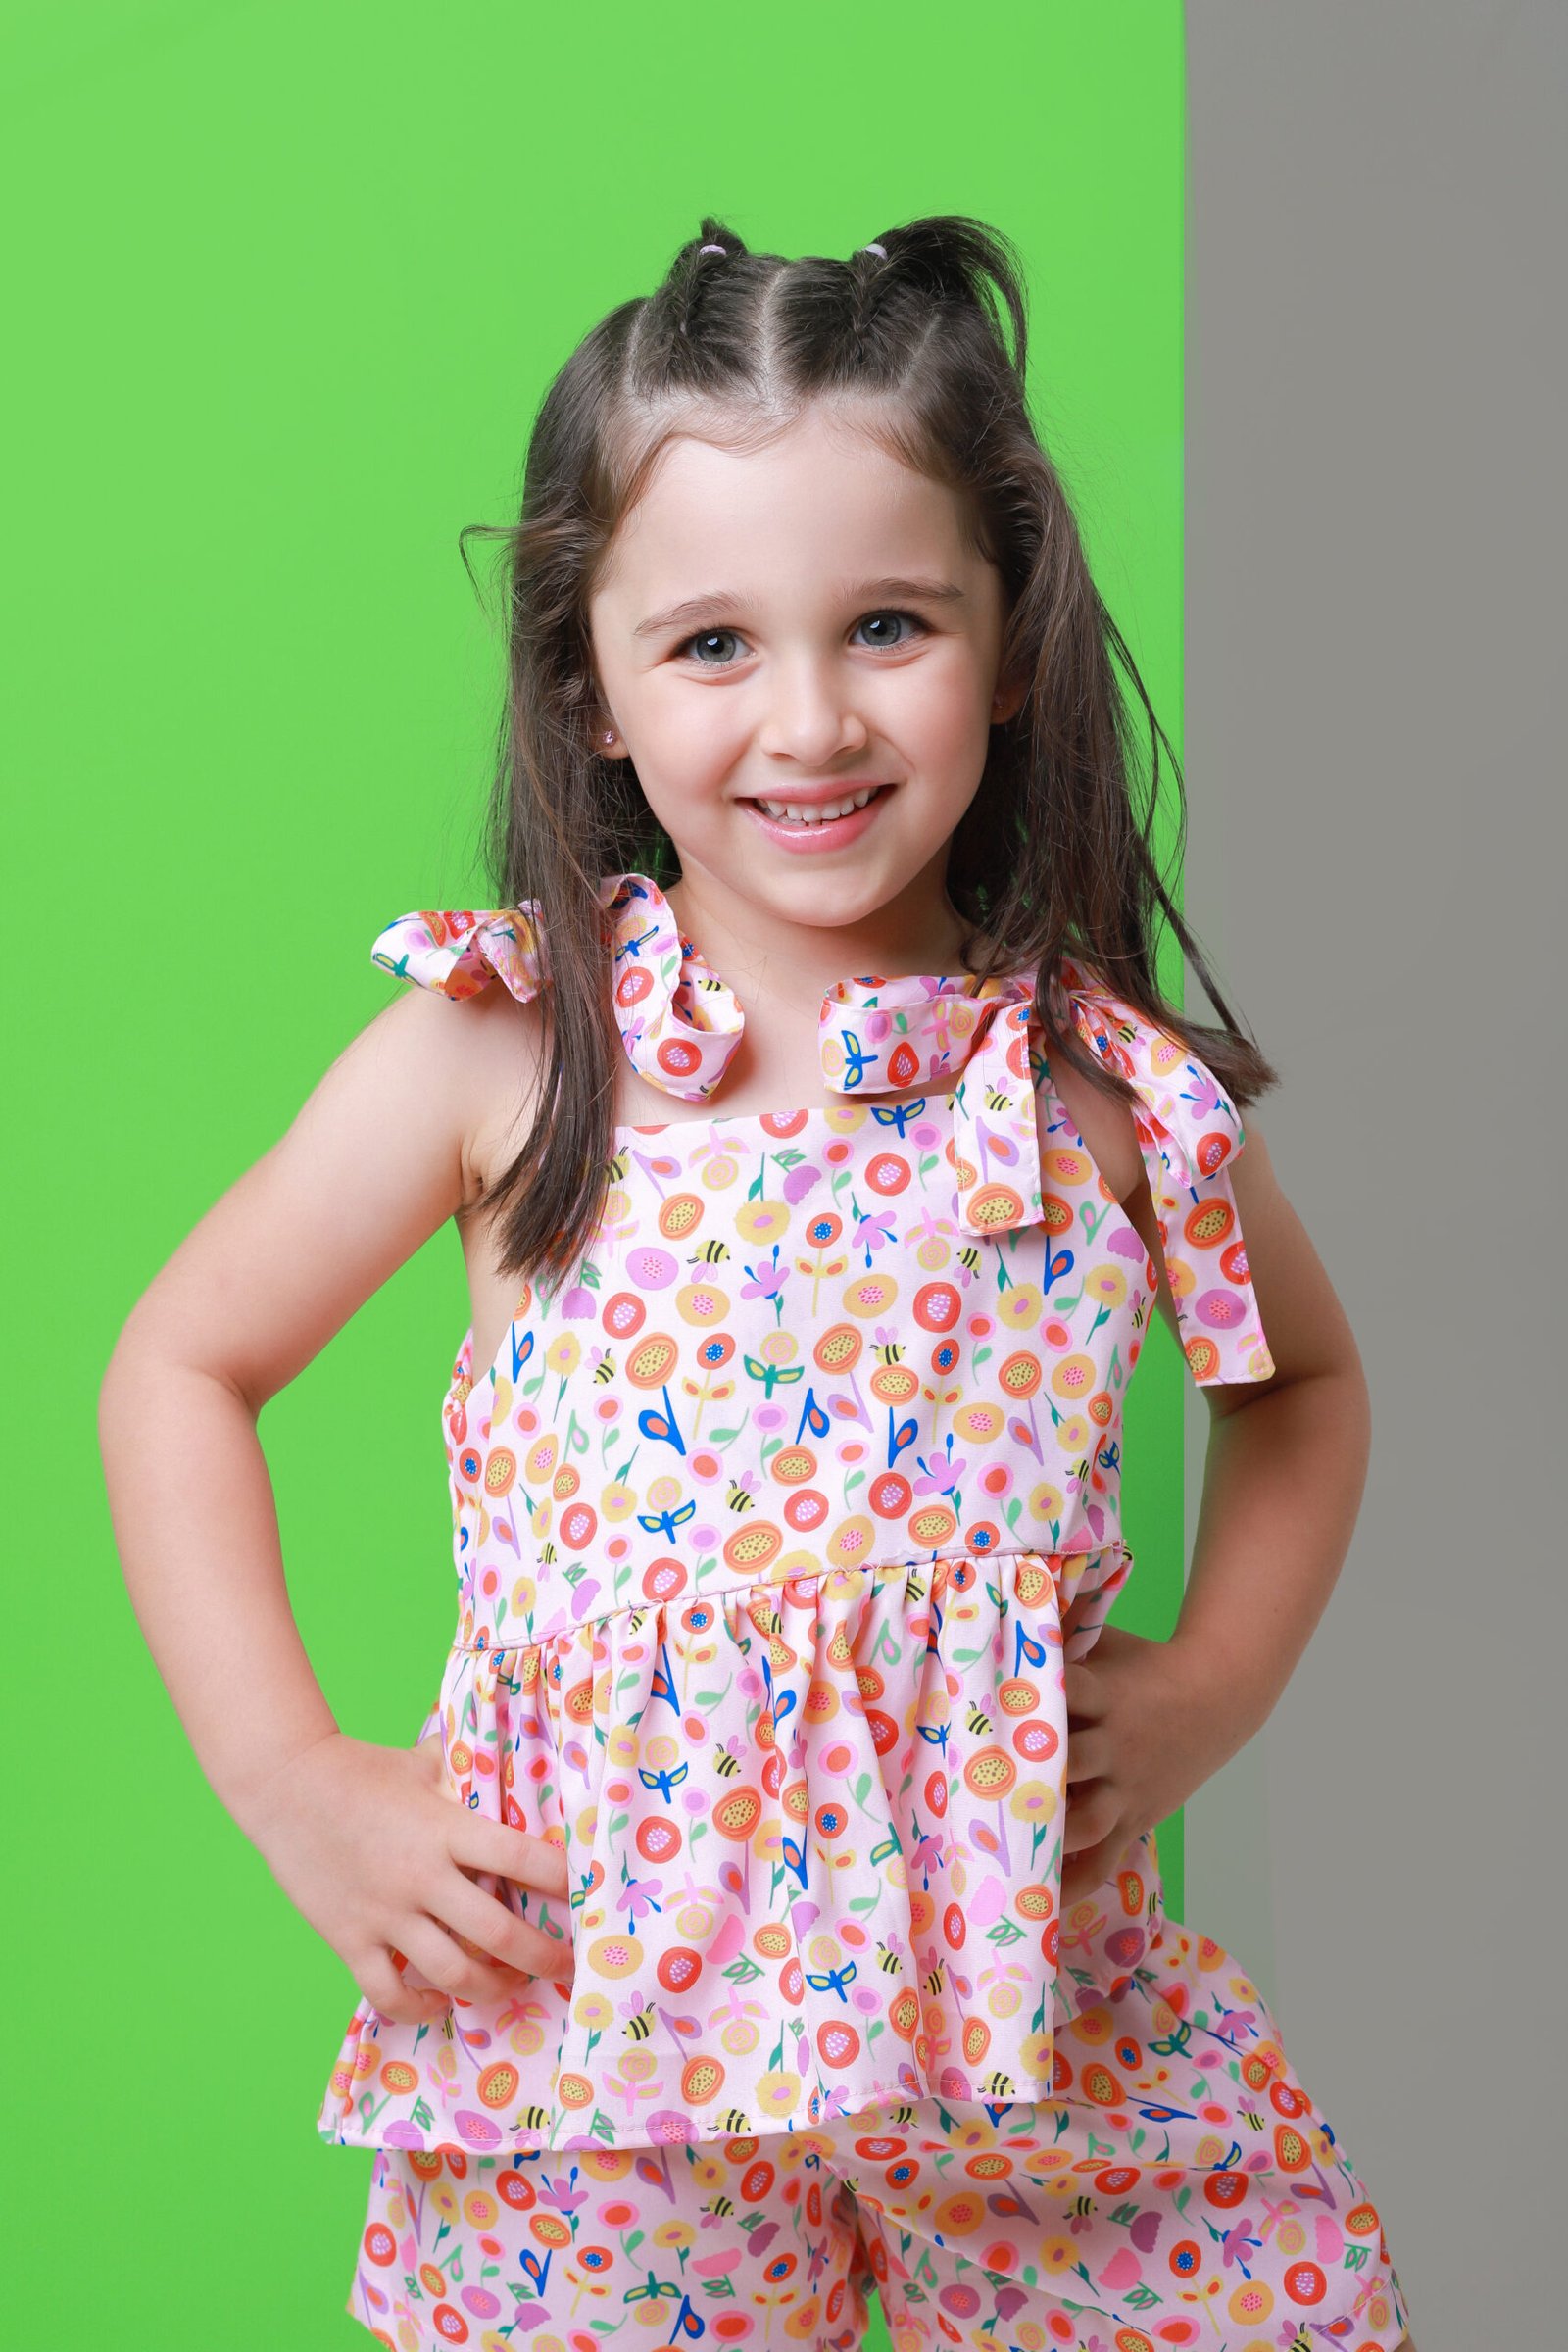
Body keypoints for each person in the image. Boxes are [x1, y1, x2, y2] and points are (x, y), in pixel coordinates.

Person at [99, 214, 1414, 2352]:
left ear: (1009, 644)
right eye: (711, 643)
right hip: (592, 2036)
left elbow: (1308, 1388)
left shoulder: (1098, 1089)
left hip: (1027, 2005)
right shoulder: (505, 1054)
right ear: (591, 690)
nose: (809, 719)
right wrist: (293, 1780)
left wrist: (1210, 1691)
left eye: (886, 623)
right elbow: (180, 1362)